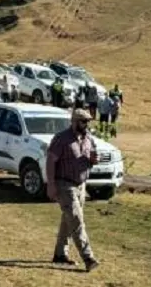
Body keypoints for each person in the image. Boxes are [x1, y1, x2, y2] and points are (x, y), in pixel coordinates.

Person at [45, 108, 100, 272]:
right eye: (84, 121)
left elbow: (91, 158)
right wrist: (51, 184)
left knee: (68, 220)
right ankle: (88, 258)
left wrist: (93, 160)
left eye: (88, 121)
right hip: (64, 184)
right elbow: (50, 161)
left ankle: (60, 255)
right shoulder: (62, 139)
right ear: (74, 121)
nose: (87, 124)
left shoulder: (88, 138)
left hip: (80, 185)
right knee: (76, 220)